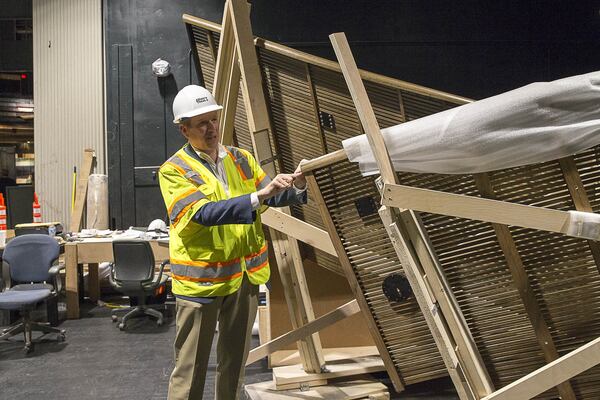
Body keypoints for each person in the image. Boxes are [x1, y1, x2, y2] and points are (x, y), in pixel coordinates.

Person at [159, 85, 307, 400]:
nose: (211, 128)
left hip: (243, 279)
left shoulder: (240, 158)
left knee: (233, 365)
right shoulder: (174, 171)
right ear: (184, 129)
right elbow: (203, 213)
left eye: (213, 119)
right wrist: (258, 196)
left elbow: (271, 194)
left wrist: (296, 187)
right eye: (202, 123)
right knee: (190, 372)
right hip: (201, 284)